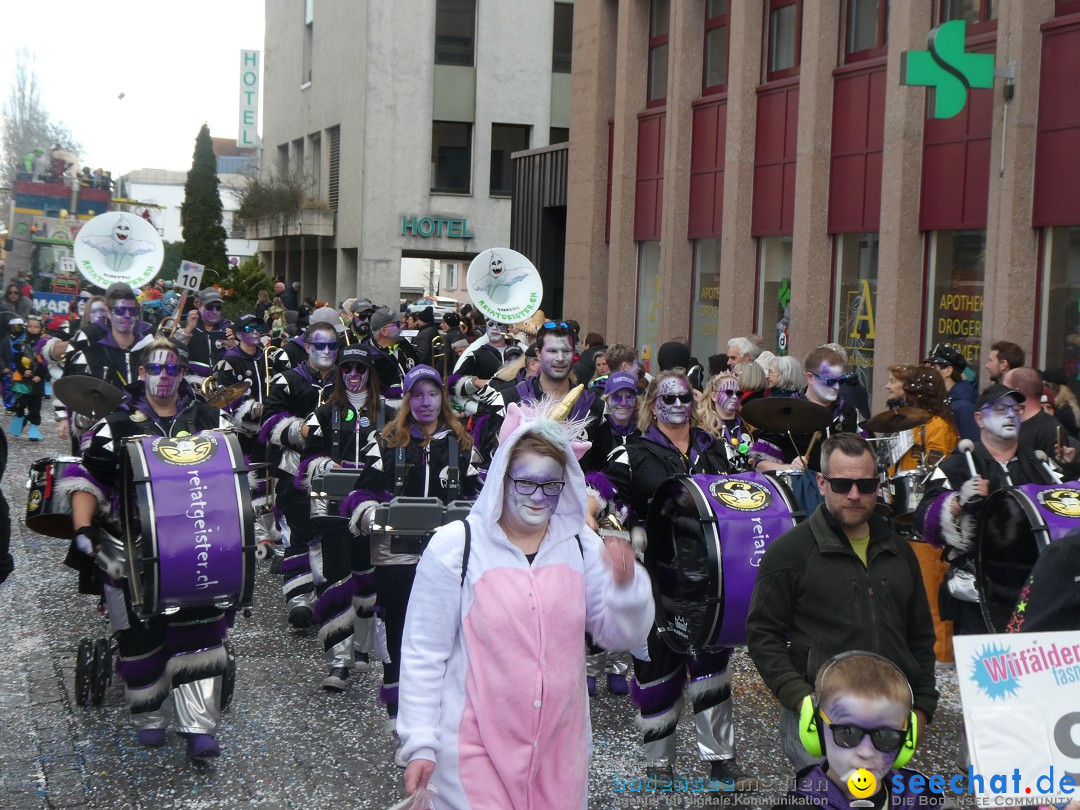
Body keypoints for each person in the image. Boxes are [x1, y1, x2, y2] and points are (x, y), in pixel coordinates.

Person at [397, 396, 654, 808]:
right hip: (474, 751)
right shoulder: (456, 548)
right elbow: (424, 653)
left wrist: (627, 588)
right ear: (501, 477)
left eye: (551, 485)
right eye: (525, 482)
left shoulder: (580, 546)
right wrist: (421, 743)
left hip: (560, 753)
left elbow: (618, 633)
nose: (538, 497)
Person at [58, 339, 232, 759]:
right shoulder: (115, 424)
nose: (164, 377)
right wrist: (83, 529)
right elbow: (88, 479)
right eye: (156, 369)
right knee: (138, 632)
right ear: (141, 373)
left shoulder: (209, 418)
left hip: (197, 542)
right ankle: (149, 714)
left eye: (172, 369)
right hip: (130, 543)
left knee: (201, 631)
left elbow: (233, 478)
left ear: (182, 372)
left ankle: (197, 726)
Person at [746, 433, 938, 773]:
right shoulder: (790, 552)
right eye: (842, 484)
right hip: (824, 721)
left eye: (864, 484)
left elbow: (920, 636)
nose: (854, 494)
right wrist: (799, 698)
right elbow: (763, 634)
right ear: (821, 483)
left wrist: (922, 707)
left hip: (889, 725)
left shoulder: (900, 551)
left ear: (877, 486)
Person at [601, 369, 754, 789]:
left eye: (684, 398)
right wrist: (624, 530)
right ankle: (658, 764)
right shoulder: (632, 452)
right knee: (657, 666)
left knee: (713, 667)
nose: (677, 406)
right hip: (657, 576)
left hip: (710, 576)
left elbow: (737, 494)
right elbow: (605, 498)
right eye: (667, 399)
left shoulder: (715, 447)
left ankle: (721, 761)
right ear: (652, 405)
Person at [345, 365, 483, 753]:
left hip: (448, 556)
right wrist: (370, 513)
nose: (425, 403)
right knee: (399, 631)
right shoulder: (386, 440)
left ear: (444, 398)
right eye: (417, 395)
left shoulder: (462, 442)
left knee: (449, 632)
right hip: (395, 555)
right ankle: (400, 714)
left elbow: (482, 494)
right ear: (407, 400)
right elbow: (359, 494)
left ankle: (442, 714)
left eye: (432, 394)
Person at [914, 384, 1064, 636]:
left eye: (1015, 409)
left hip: (1036, 592)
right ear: (979, 419)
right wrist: (958, 502)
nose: (1010, 415)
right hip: (978, 593)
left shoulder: (1040, 465)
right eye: (999, 409)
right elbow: (922, 519)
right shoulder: (958, 465)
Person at [295, 345, 388, 690]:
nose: (352, 374)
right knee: (337, 581)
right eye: (346, 367)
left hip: (371, 509)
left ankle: (362, 648)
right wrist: (324, 465)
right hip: (333, 509)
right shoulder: (325, 413)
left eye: (359, 368)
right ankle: (338, 663)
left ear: (368, 373)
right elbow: (306, 461)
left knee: (367, 579)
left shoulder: (388, 412)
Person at [784, 652, 944, 810]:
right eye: (847, 733)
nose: (866, 752)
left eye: (886, 737)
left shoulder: (921, 798)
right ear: (816, 729)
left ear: (906, 739)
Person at [259, 321, 340, 628]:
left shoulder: (346, 381)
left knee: (331, 532)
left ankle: (323, 589)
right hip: (294, 471)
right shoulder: (287, 380)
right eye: (320, 345)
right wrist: (299, 431)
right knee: (299, 532)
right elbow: (269, 424)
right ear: (307, 347)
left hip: (334, 471)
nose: (326, 352)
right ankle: (298, 598)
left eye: (332, 346)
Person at [61, 283, 155, 451]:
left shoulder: (150, 351)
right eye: (120, 311)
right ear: (109, 313)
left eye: (132, 311)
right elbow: (76, 409)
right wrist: (92, 413)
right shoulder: (89, 355)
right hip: (103, 441)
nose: (127, 316)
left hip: (145, 438)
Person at [753, 347, 865, 473]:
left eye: (841, 380)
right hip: (799, 489)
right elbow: (760, 464)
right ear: (810, 377)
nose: (837, 387)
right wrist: (790, 468)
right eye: (830, 381)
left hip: (840, 489)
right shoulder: (786, 411)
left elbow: (865, 456)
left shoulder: (848, 411)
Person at [174, 287, 233, 382]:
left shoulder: (229, 327)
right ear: (199, 306)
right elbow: (173, 352)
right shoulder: (184, 325)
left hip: (222, 384)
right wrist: (187, 330)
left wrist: (233, 346)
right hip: (192, 383)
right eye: (209, 307)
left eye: (218, 307)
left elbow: (243, 357)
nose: (214, 311)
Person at [922, 343, 978, 442]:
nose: (929, 373)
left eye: (934, 367)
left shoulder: (965, 407)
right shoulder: (944, 399)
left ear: (948, 371)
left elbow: (972, 446)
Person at [363, 306, 416, 397]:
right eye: (398, 324)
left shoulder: (404, 344)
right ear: (384, 331)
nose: (402, 326)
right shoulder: (369, 356)